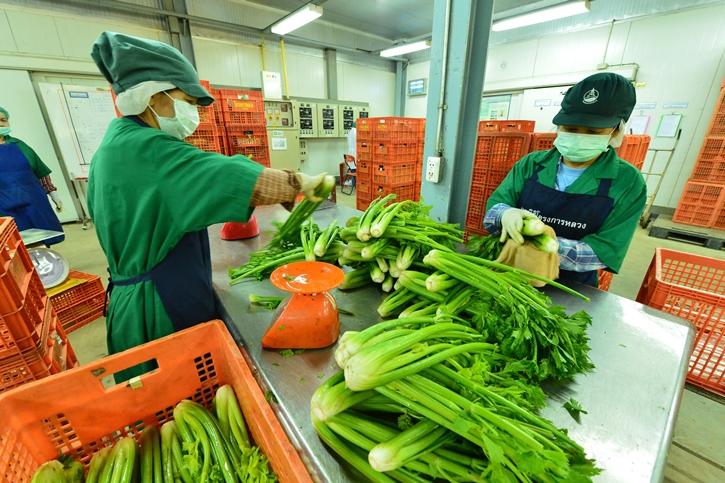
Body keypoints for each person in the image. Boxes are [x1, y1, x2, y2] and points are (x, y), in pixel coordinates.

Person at [88, 31, 327, 380]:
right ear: (155, 96)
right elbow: (224, 175)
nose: (191, 114)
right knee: (180, 398)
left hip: (139, 296)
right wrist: (299, 183)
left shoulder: (117, 143)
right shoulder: (146, 149)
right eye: (185, 100)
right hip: (158, 311)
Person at [484, 72, 647, 287]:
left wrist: (549, 246)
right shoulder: (532, 164)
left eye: (593, 131)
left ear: (617, 130)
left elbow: (606, 250)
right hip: (511, 272)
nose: (579, 136)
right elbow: (494, 208)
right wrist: (504, 213)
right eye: (570, 129)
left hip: (571, 286)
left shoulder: (628, 182)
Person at [0, 107, 65, 244]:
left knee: (41, 236)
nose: (1, 124)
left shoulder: (20, 145)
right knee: (14, 242)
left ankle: (44, 262)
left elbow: (40, 172)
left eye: (3, 120)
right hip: (4, 205)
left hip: (33, 200)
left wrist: (53, 194)